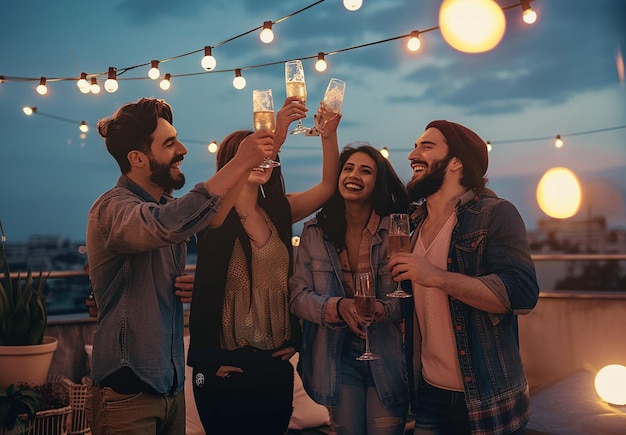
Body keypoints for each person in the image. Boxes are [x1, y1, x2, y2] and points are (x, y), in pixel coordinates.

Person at [85, 97, 275, 435]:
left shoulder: (167, 206)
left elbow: (212, 216)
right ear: (138, 158)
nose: (183, 149)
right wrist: (238, 160)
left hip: (170, 386)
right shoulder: (113, 209)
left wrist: (250, 162)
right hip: (128, 391)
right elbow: (164, 224)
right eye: (170, 143)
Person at [187, 97, 341, 435]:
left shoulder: (280, 212)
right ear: (233, 162)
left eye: (268, 154)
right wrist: (209, 367)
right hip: (217, 366)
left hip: (273, 364)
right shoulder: (213, 212)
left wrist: (328, 136)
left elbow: (329, 187)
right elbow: (214, 223)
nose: (263, 159)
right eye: (253, 153)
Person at [388, 120, 540, 434]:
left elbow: (522, 295)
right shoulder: (413, 227)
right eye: (415, 145)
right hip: (429, 392)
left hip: (486, 396)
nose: (412, 154)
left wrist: (435, 276)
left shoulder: (496, 213)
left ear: (456, 161)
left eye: (426, 146)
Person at [289, 144, 410, 435]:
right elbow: (297, 296)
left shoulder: (395, 231)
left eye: (365, 170)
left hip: (389, 355)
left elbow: (410, 295)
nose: (354, 175)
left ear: (377, 182)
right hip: (336, 358)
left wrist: (385, 309)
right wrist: (338, 307)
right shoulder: (314, 232)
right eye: (348, 168)